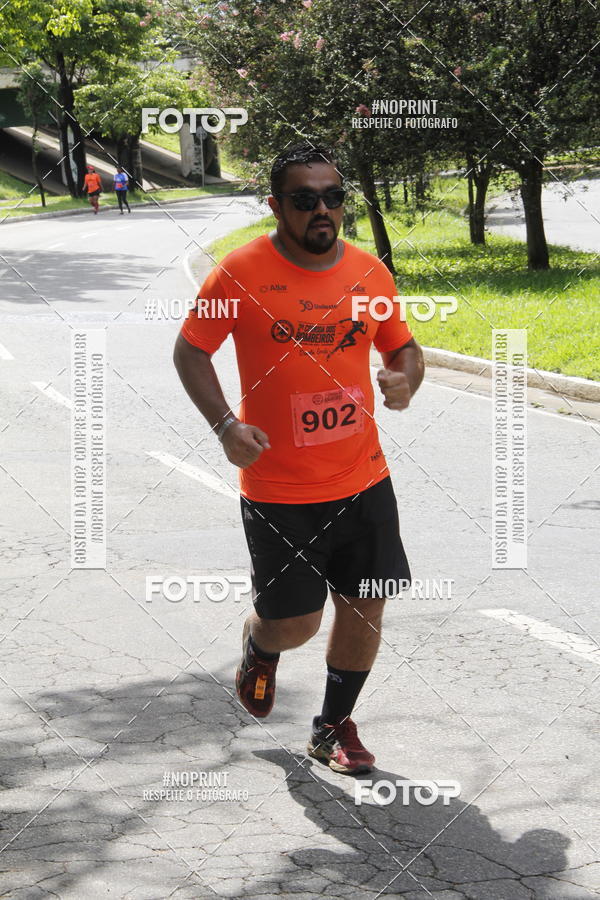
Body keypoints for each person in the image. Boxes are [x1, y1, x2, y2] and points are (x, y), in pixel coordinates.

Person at [173, 143, 424, 775]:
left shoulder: (369, 274)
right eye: (305, 199)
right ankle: (261, 645)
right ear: (276, 207)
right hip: (280, 491)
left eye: (333, 197)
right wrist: (226, 425)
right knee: (296, 625)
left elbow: (405, 349)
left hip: (363, 479)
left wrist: (405, 379)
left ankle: (332, 727)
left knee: (368, 603)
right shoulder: (242, 272)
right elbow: (190, 351)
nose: (322, 210)